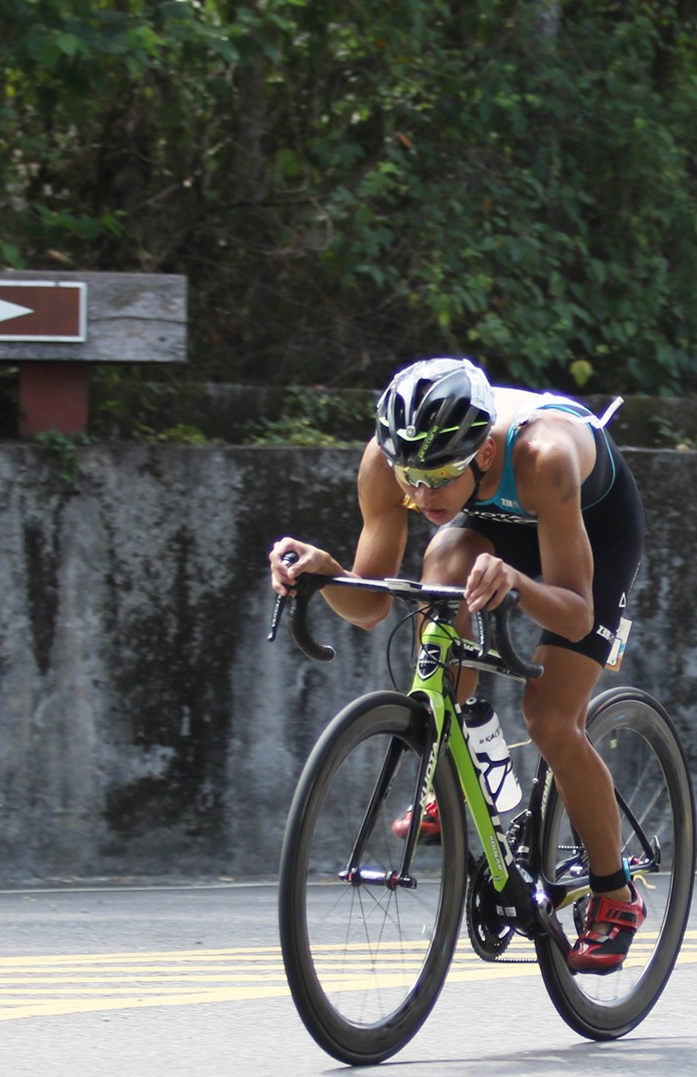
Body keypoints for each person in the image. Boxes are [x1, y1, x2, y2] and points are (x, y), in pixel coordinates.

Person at [269, 357, 647, 971]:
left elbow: (576, 615)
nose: (421, 494)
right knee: (443, 558)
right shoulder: (388, 464)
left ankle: (615, 892)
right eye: (410, 478)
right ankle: (452, 759)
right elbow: (367, 605)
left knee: (549, 718)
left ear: (485, 455)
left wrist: (518, 581)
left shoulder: (542, 456)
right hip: (498, 517)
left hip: (589, 529)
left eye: (439, 476)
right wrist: (326, 572)